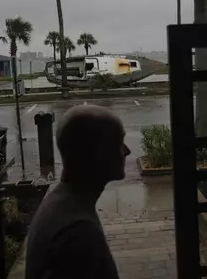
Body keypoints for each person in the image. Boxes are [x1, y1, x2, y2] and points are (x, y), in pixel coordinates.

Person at [25, 105, 131, 279]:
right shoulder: (79, 234)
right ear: (96, 152)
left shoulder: (62, 203)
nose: (127, 151)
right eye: (118, 142)